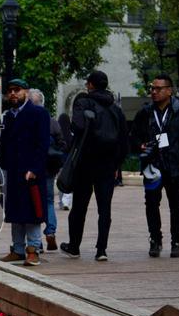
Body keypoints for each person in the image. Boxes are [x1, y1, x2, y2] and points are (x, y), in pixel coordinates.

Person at [131, 72, 179, 258]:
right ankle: (155, 239)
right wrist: (141, 145)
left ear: (169, 91)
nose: (154, 92)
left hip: (175, 165)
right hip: (152, 166)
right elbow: (133, 136)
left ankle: (177, 242)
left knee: (176, 205)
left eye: (158, 88)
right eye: (152, 88)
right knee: (151, 203)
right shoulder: (145, 112)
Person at [60, 71, 128, 261]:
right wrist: (116, 164)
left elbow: (77, 127)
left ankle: (74, 246)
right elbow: (124, 139)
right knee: (104, 208)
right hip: (107, 165)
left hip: (85, 162)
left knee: (79, 206)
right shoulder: (115, 109)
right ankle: (101, 250)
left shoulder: (83, 102)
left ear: (90, 85)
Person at [0, 79, 50, 266]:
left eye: (17, 90)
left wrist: (35, 169)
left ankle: (33, 250)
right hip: (12, 171)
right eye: (10, 90)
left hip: (31, 172)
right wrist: (2, 166)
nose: (13, 93)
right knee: (14, 211)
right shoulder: (8, 116)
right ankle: (17, 249)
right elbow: (4, 144)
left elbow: (43, 144)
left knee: (31, 211)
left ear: (26, 92)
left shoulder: (39, 113)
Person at [28, 89, 64, 251]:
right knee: (49, 201)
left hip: (32, 168)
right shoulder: (52, 121)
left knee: (33, 202)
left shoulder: (27, 121)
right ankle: (50, 232)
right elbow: (62, 143)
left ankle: (37, 243)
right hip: (49, 168)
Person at [57, 112, 74, 210]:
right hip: (69, 162)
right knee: (68, 181)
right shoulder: (71, 134)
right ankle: (66, 201)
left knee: (60, 182)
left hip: (59, 161)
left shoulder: (58, 134)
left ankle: (61, 201)